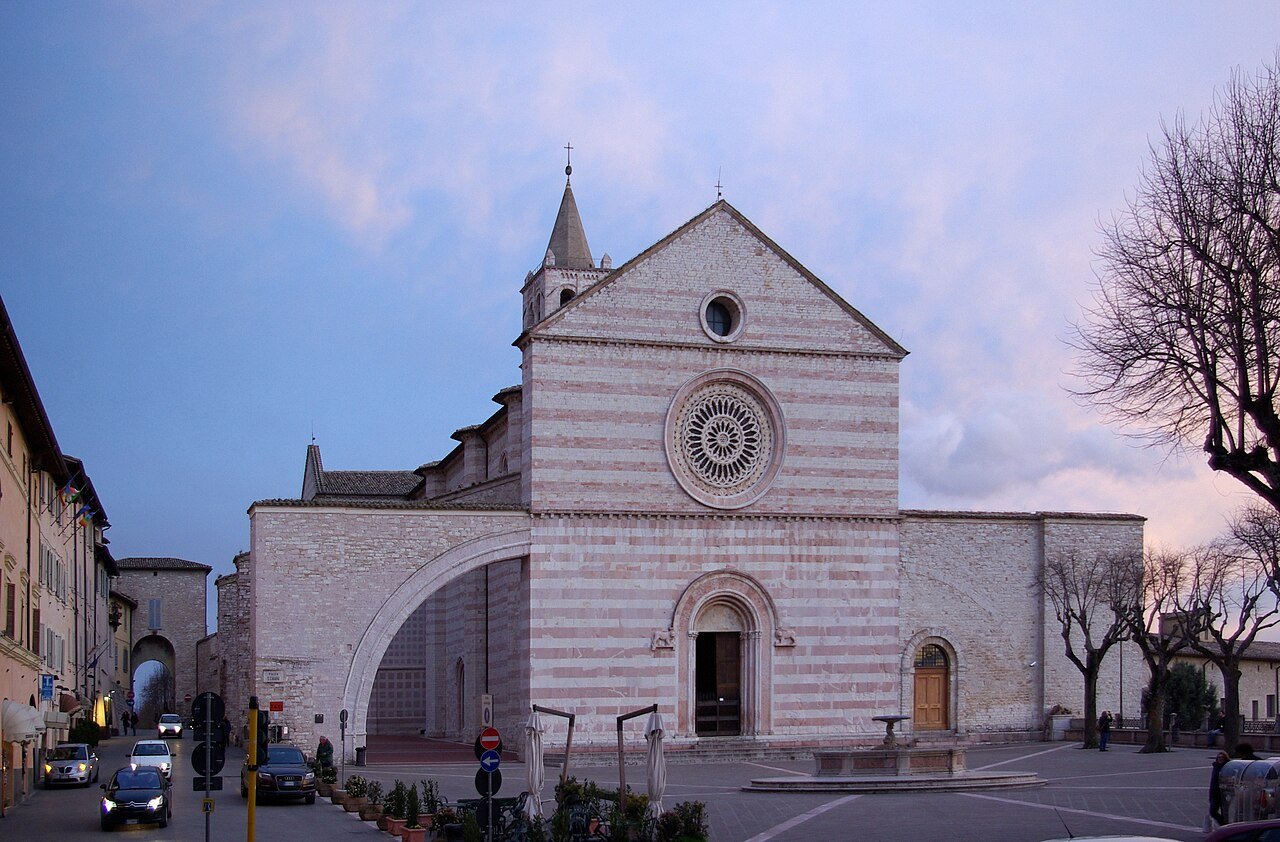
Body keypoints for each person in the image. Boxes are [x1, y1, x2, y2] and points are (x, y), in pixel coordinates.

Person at [1210, 750, 1230, 826]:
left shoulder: (1228, 767)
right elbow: (1212, 781)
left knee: (1225, 811)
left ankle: (1225, 825)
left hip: (1225, 792)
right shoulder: (1215, 766)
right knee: (1212, 811)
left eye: (1222, 757)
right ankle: (1223, 824)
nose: (1220, 758)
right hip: (1215, 792)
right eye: (1219, 757)